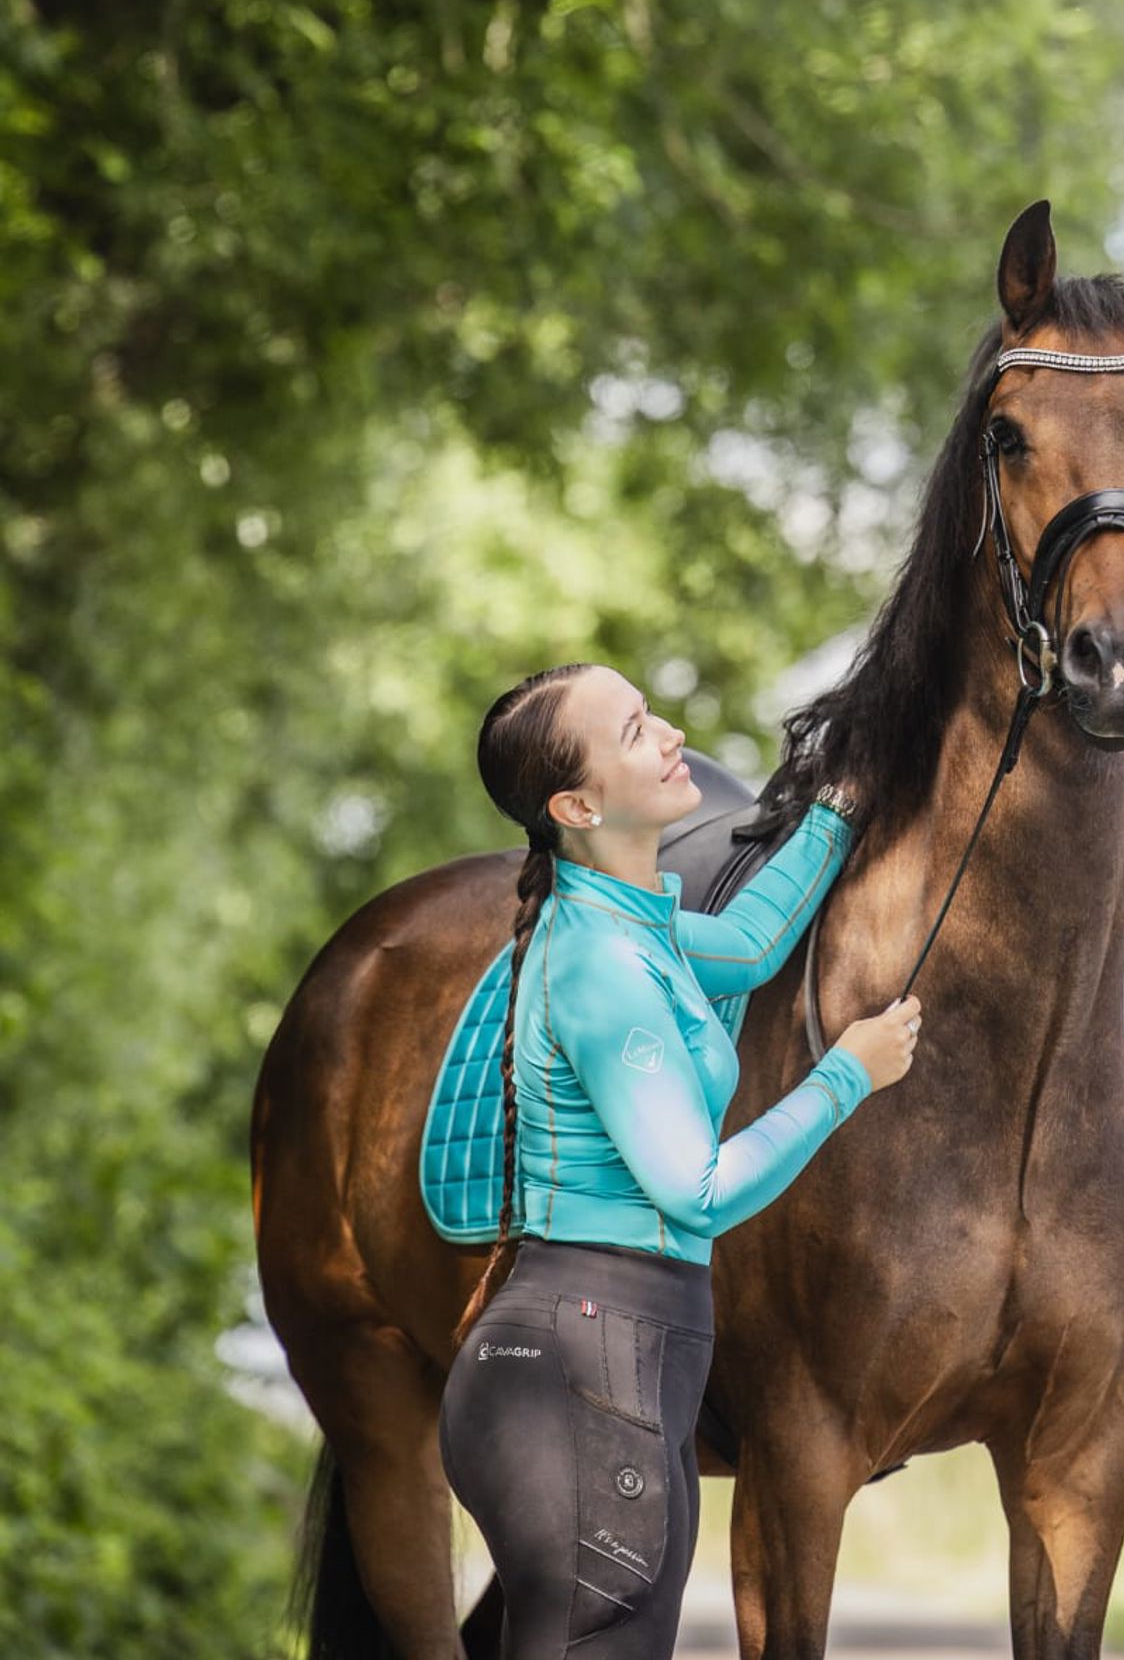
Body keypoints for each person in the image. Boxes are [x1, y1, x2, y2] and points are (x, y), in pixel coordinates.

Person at [437, 661, 921, 1657]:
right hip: (590, 1360)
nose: (668, 737)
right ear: (576, 802)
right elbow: (695, 1191)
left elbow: (750, 942)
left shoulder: (624, 925)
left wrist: (837, 802)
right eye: (631, 732)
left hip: (608, 1355)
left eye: (648, 713)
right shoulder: (606, 965)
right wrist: (845, 1076)